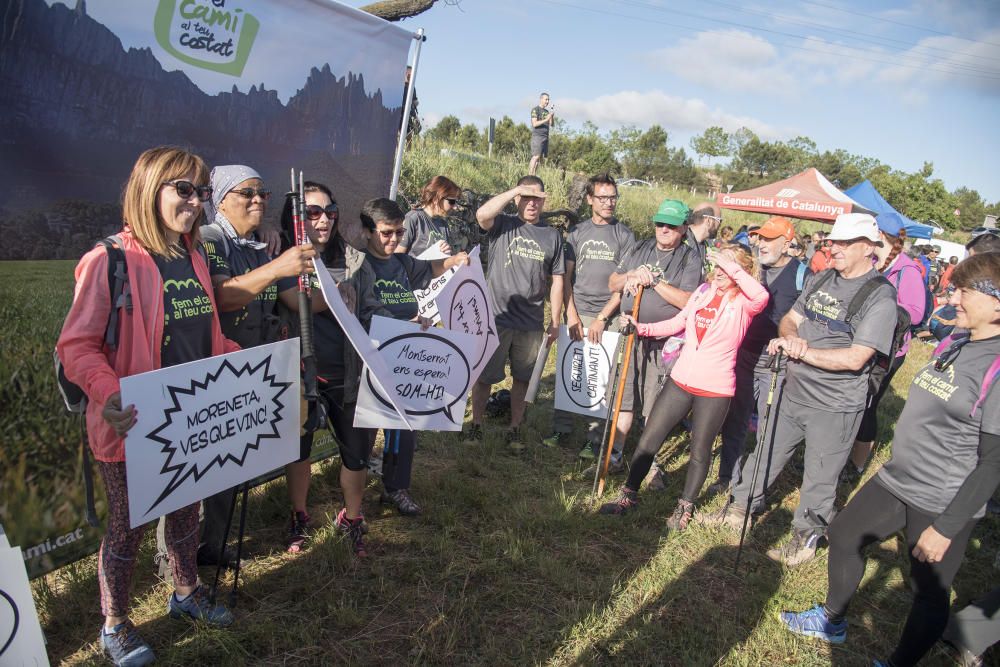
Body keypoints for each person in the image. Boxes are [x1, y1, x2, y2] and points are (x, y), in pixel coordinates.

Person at [57, 146, 238, 666]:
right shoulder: (110, 259)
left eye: (202, 192)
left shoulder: (194, 256)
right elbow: (77, 346)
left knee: (185, 511)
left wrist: (247, 363)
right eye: (183, 189)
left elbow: (208, 337)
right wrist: (109, 393)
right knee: (128, 527)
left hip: (189, 417)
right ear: (148, 188)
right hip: (131, 425)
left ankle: (185, 594)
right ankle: (114, 625)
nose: (196, 201)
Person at [779, 252, 1000, 667]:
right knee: (844, 534)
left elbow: (993, 463)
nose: (952, 298)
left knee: (928, 590)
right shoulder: (959, 341)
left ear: (997, 303)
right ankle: (832, 620)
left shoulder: (997, 366)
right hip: (899, 477)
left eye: (964, 291)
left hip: (943, 496)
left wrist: (947, 527)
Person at [703, 213, 898, 566]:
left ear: (868, 247)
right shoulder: (822, 278)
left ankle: (805, 538)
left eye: (844, 243)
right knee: (765, 451)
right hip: (793, 388)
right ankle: (739, 508)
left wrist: (803, 352)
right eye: (833, 242)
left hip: (835, 403)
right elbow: (791, 319)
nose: (833, 248)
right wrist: (791, 338)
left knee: (820, 475)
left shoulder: (880, 296)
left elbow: (857, 357)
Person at [600, 244, 768, 528]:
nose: (719, 272)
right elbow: (677, 322)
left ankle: (684, 507)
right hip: (680, 380)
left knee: (699, 451)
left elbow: (762, 295)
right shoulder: (703, 292)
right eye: (717, 266)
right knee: (649, 439)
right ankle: (628, 496)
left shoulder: (745, 303)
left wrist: (731, 266)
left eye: (727, 267)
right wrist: (641, 328)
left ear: (742, 270)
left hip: (715, 388)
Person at [198, 165, 317, 558]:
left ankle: (213, 546)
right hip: (218, 371)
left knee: (232, 462)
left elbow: (286, 298)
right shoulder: (210, 238)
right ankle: (192, 555)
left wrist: (340, 295)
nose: (258, 201)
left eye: (263, 194)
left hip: (254, 369)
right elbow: (223, 296)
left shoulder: (258, 244)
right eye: (246, 193)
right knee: (210, 465)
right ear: (220, 200)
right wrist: (278, 266)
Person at [278, 183, 388, 558]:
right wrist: (335, 295)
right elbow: (294, 302)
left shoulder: (355, 260)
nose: (323, 219)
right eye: (313, 212)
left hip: (348, 374)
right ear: (296, 218)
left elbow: (372, 308)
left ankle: (351, 518)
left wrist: (406, 327)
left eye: (330, 211)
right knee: (299, 451)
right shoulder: (285, 258)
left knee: (356, 453)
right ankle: (299, 516)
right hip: (301, 375)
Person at [362, 198, 469, 514]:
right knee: (365, 429)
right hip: (369, 357)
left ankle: (396, 488)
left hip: (404, 358)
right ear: (367, 231)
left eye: (399, 232)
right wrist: (400, 323)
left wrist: (453, 261)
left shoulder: (400, 262)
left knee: (404, 428)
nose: (394, 240)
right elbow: (360, 308)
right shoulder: (358, 265)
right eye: (386, 233)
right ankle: (354, 489)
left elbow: (429, 269)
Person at [606, 199, 702, 489]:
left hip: (663, 343)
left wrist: (654, 282)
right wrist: (631, 276)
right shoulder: (640, 247)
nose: (663, 229)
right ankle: (615, 455)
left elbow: (688, 301)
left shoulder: (689, 258)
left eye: (671, 225)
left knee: (654, 405)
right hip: (630, 336)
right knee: (624, 398)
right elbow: (612, 282)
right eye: (660, 223)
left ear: (683, 228)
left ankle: (650, 464)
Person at [541, 174, 635, 463]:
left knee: (600, 374)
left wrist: (603, 318)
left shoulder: (625, 235)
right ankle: (561, 429)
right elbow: (566, 276)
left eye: (613, 197)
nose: (609, 203)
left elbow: (624, 284)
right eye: (603, 197)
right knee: (571, 368)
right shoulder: (578, 232)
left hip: (608, 316)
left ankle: (594, 438)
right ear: (590, 199)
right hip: (577, 311)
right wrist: (571, 313)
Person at [466, 175, 565, 448]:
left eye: (538, 198)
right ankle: (476, 425)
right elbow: (481, 215)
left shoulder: (552, 236)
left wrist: (555, 321)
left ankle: (515, 429)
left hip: (531, 321)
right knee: (484, 376)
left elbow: (557, 281)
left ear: (544, 201)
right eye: (526, 197)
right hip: (496, 317)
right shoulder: (503, 224)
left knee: (523, 378)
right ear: (517, 198)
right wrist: (515, 190)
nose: (532, 203)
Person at [712, 216, 808, 496]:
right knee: (735, 420)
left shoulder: (803, 275)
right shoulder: (752, 269)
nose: (761, 243)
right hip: (743, 356)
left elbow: (807, 319)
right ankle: (727, 477)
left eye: (769, 239)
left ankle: (755, 489)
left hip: (777, 363)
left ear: (787, 244)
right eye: (760, 237)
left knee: (770, 426)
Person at [845, 211, 926, 478]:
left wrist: (882, 305)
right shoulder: (873, 264)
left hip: (888, 351)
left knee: (867, 405)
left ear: (878, 235)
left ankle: (856, 465)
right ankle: (842, 454)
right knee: (852, 401)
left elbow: (916, 313)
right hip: (863, 342)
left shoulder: (907, 270)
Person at [397, 175, 461, 257]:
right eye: (452, 202)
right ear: (436, 199)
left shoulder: (444, 224)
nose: (455, 207)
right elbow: (397, 257)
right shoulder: (413, 219)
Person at [685, 201, 723, 272]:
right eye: (719, 220)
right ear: (708, 221)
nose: (720, 225)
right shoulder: (680, 242)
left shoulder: (706, 245)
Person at [528, 93, 554, 176]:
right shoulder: (535, 110)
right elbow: (534, 124)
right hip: (537, 136)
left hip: (545, 137)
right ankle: (530, 175)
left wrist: (551, 116)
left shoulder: (547, 112)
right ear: (541, 99)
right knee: (535, 156)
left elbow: (552, 124)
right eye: (546, 99)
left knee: (540, 158)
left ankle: (534, 175)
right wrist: (546, 119)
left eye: (548, 100)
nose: (547, 101)